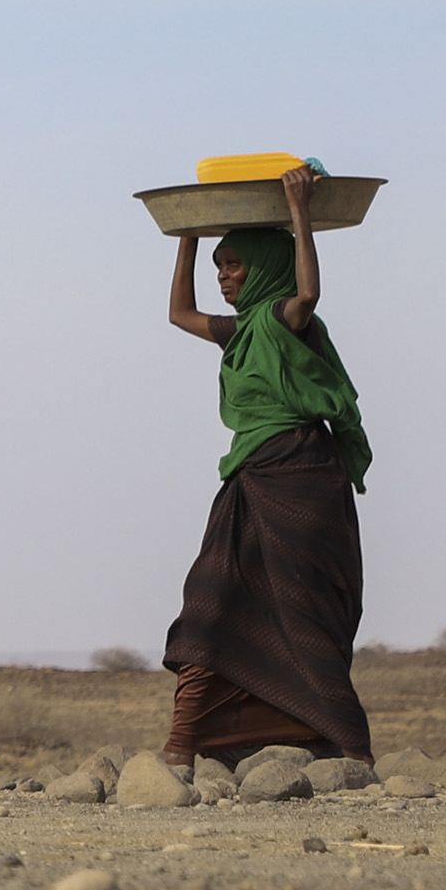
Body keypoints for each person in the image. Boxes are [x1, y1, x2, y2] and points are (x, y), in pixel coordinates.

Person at [158, 160, 372, 768]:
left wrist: (300, 212)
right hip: (250, 478)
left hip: (304, 478)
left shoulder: (284, 319)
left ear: (264, 267)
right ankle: (185, 745)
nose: (223, 276)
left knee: (303, 610)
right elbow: (178, 314)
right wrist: (188, 237)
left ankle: (337, 744)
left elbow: (308, 292)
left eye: (233, 264)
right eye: (219, 266)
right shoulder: (241, 329)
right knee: (211, 597)